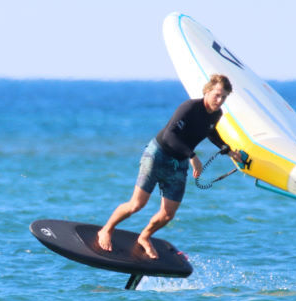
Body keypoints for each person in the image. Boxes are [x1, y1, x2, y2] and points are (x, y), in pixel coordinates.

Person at [97, 74, 240, 259]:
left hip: (178, 164)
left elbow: (210, 132)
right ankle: (106, 230)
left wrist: (226, 150)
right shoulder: (189, 108)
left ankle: (144, 237)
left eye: (224, 97)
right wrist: (193, 156)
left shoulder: (216, 114)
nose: (220, 101)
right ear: (207, 91)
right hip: (157, 155)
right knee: (136, 205)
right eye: (217, 95)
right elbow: (170, 136)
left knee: (167, 214)